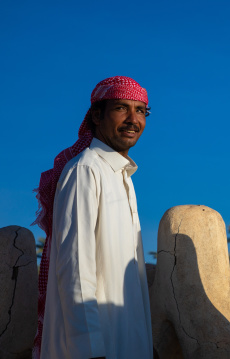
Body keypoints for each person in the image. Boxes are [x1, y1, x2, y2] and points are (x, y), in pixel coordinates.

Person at [33, 76, 153, 359]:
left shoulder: (122, 177)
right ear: (97, 115)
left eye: (141, 111)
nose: (133, 119)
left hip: (125, 341)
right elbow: (75, 264)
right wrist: (88, 349)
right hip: (92, 348)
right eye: (122, 108)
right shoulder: (85, 170)